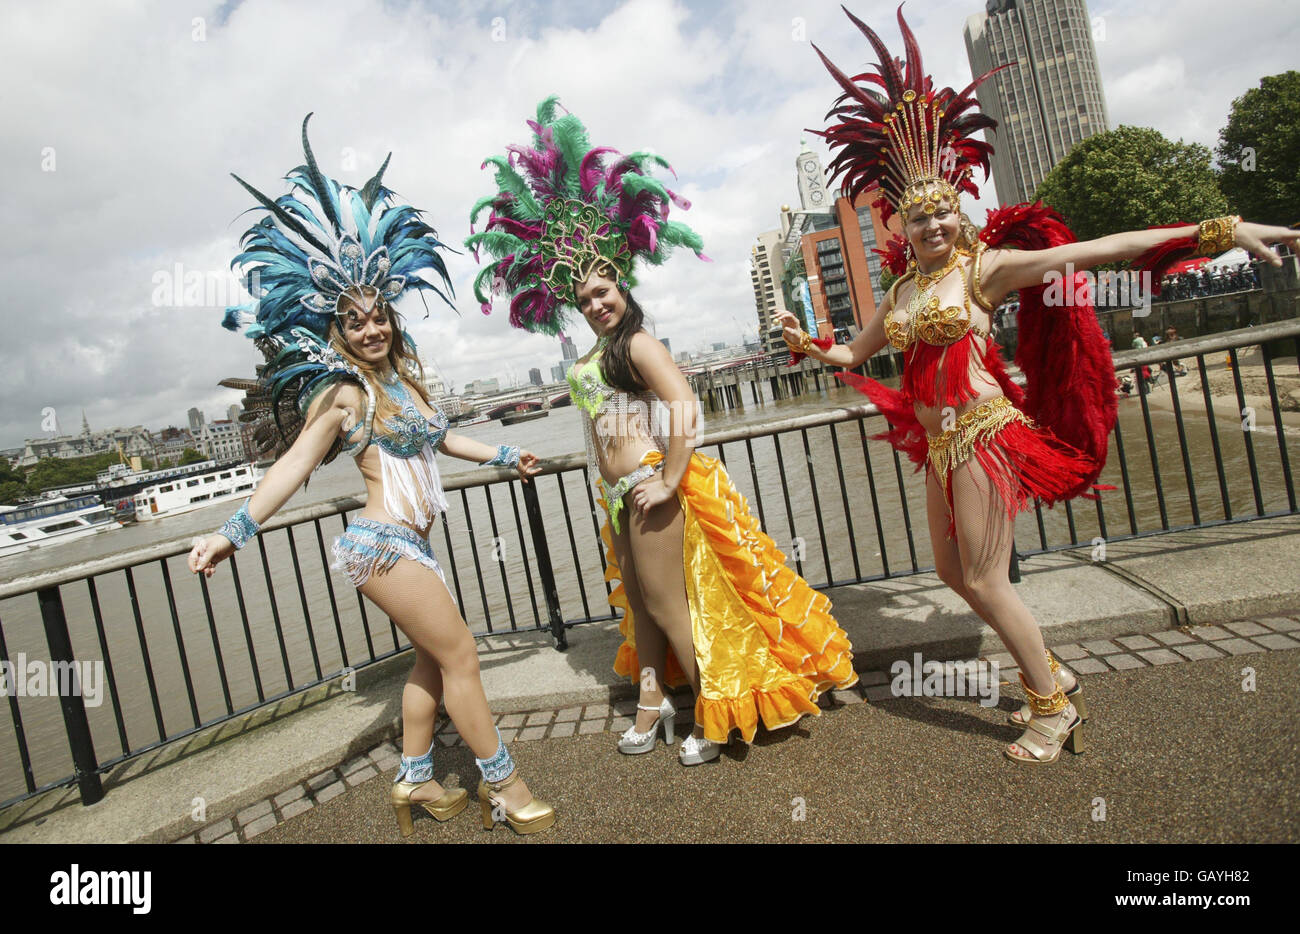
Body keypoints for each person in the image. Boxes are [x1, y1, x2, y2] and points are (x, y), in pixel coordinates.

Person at [786, 7, 1300, 764]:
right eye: (918, 216)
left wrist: (1217, 230)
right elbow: (853, 356)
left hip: (985, 433)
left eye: (942, 214)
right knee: (950, 571)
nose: (931, 226)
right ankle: (1048, 668)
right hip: (937, 444)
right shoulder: (896, 295)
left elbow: (1101, 249)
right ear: (901, 222)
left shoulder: (983, 271)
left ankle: (1051, 707)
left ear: (959, 220)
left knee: (989, 579)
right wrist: (813, 347)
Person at [187, 116, 554, 836]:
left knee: (429, 663)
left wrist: (509, 457)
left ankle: (415, 783)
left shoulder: (406, 386)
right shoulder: (344, 395)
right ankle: (504, 787)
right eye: (354, 322)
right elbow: (293, 465)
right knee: (463, 658)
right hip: (381, 545)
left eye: (377, 317)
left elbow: (442, 439)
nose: (369, 330)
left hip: (411, 544)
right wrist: (234, 531)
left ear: (390, 319)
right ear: (338, 330)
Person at [467, 97, 858, 766]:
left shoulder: (638, 341)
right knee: (643, 609)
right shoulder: (590, 358)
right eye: (585, 298)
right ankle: (654, 701)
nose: (597, 303)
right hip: (615, 491)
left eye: (605, 290)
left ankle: (710, 713)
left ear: (623, 283)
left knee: (670, 605)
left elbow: (684, 405)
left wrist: (670, 477)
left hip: (650, 481)